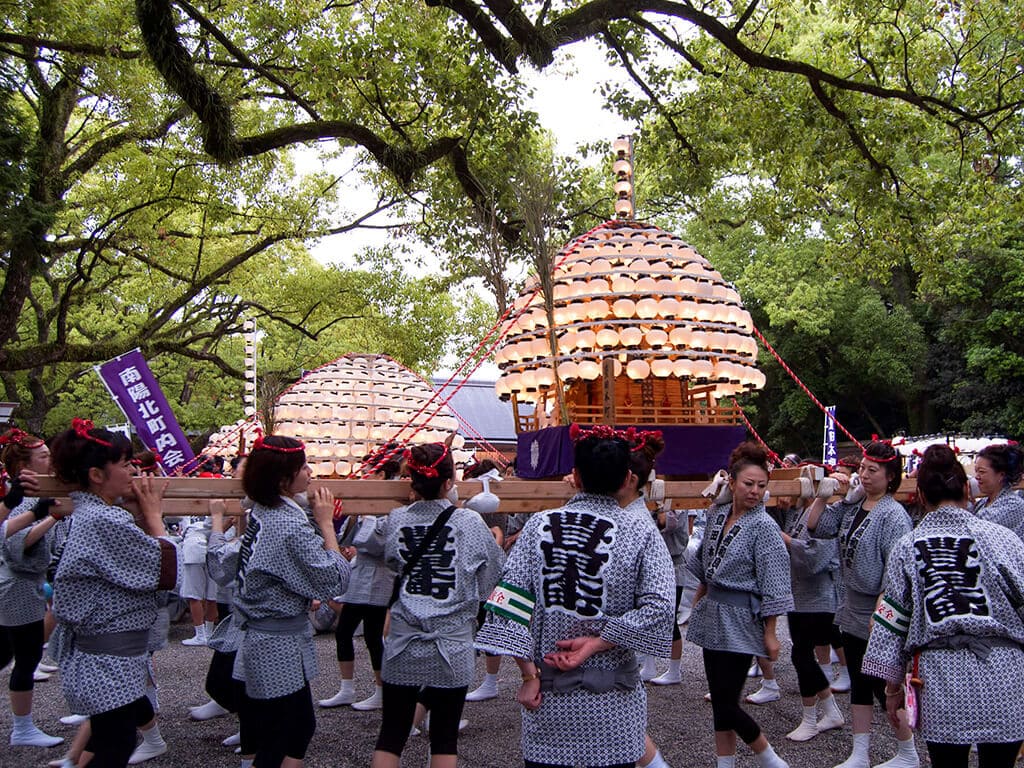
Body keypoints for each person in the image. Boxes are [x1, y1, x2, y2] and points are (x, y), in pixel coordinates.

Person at [476, 424, 676, 768]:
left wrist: (527, 675)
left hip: (547, 698)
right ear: (627, 477)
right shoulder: (640, 531)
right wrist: (598, 642)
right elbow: (660, 609)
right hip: (615, 708)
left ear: (576, 476)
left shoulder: (539, 525)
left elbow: (507, 603)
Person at [862, 444, 1024, 768]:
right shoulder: (1003, 538)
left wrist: (892, 687)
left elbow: (892, 619)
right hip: (1006, 674)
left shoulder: (907, 546)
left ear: (920, 494)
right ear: (966, 488)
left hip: (943, 677)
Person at [48, 418, 178, 768]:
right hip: (108, 658)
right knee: (115, 744)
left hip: (104, 655)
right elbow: (164, 571)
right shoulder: (102, 519)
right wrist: (154, 518)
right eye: (124, 464)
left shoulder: (93, 514)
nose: (134, 470)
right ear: (96, 475)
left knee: (111, 739)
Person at [371, 442, 504, 768]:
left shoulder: (396, 519)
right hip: (452, 641)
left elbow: (391, 562)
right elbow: (493, 574)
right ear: (450, 482)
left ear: (412, 481)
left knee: (391, 733)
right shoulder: (470, 522)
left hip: (404, 637)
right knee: (444, 737)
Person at [232, 433, 349, 768]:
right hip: (276, 641)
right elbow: (333, 579)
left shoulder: (261, 511)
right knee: (290, 731)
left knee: (280, 729)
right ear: (284, 479)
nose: (310, 472)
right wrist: (327, 524)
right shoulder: (286, 523)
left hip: (263, 634)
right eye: (303, 466)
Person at [806, 440, 917, 768]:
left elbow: (897, 571)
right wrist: (826, 496)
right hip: (852, 603)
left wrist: (884, 613)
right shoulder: (853, 506)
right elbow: (817, 525)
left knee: (885, 683)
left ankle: (907, 750)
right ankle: (860, 751)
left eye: (873, 471)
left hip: (879, 607)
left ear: (890, 475)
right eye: (864, 470)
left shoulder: (893, 516)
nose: (865, 476)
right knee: (858, 678)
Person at [686, 442, 793, 768]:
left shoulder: (765, 526)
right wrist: (700, 594)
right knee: (719, 698)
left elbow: (775, 580)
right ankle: (726, 763)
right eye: (748, 484)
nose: (755, 491)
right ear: (731, 481)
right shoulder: (718, 514)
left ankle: (769, 757)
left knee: (726, 701)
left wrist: (771, 632)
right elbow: (705, 560)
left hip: (742, 617)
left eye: (761, 486)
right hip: (713, 611)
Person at [318, 451, 400, 711]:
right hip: (360, 574)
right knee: (344, 631)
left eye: (371, 471)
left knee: (374, 636)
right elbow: (348, 535)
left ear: (382, 475)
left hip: (379, 576)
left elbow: (381, 543)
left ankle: (381, 689)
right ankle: (347, 687)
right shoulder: (362, 504)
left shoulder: (390, 506)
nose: (365, 475)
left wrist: (362, 534)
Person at [0, 428, 64, 748]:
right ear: (24, 465)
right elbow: (15, 546)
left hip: (27, 584)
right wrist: (51, 517)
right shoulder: (21, 497)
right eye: (43, 457)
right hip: (17, 586)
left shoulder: (34, 493)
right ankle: (22, 728)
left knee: (9, 653)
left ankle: (21, 727)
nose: (49, 460)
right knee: (25, 657)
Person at [618, 428, 675, 768]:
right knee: (619, 723)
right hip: (611, 636)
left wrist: (600, 639)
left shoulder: (636, 523)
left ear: (627, 478)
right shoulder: (625, 515)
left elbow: (660, 606)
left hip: (612, 638)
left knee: (620, 722)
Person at [778, 478, 845, 741]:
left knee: (802, 654)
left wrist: (786, 540)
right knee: (801, 654)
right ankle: (826, 710)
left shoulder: (828, 515)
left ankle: (815, 715)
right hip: (799, 595)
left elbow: (815, 559)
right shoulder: (799, 512)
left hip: (819, 595)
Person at [972, 443, 1024, 541]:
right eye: (976, 471)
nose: (977, 477)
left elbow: (975, 526)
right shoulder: (984, 502)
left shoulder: (1013, 504)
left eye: (982, 472)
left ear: (1001, 475)